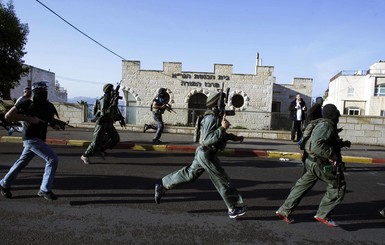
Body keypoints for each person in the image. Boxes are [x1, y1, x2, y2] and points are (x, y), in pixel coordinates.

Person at [154, 91, 247, 219]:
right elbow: (208, 139)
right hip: (207, 153)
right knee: (222, 180)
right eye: (222, 103)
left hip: (202, 153)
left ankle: (163, 186)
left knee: (189, 174)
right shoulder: (211, 118)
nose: (224, 106)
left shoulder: (213, 116)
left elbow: (218, 135)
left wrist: (234, 138)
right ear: (215, 104)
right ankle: (233, 208)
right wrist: (222, 128)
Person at [276, 104, 349, 227]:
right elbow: (317, 145)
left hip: (311, 163)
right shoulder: (326, 125)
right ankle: (323, 214)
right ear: (332, 115)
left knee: (301, 187)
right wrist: (333, 156)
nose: (338, 115)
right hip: (320, 164)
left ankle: (283, 211)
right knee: (338, 185)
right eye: (337, 113)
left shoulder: (321, 124)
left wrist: (342, 144)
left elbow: (326, 142)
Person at [0, 81, 61, 200]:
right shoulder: (26, 102)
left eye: (46, 90)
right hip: (31, 138)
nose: (45, 92)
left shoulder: (46, 105)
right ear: (36, 91)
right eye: (42, 90)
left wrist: (54, 124)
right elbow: (8, 116)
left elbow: (47, 119)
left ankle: (4, 184)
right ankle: (44, 189)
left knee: (21, 163)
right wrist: (29, 118)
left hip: (39, 138)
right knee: (52, 158)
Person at [80, 83, 120, 164]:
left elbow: (113, 111)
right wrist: (113, 104)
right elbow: (104, 113)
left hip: (109, 122)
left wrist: (117, 115)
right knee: (96, 141)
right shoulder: (104, 100)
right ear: (108, 91)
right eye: (111, 90)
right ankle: (85, 155)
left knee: (115, 138)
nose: (113, 91)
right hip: (102, 122)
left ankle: (101, 150)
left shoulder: (111, 99)